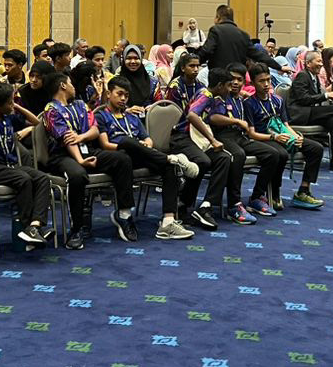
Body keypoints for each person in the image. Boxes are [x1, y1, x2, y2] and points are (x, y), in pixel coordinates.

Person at [41, 72, 137, 245]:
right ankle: (76, 229)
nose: (73, 86)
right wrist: (80, 160)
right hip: (62, 155)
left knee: (122, 159)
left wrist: (82, 137)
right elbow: (67, 139)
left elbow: (95, 129)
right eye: (71, 83)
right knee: (77, 176)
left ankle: (124, 215)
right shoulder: (51, 110)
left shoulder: (80, 105)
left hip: (87, 149)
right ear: (63, 85)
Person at [95, 77, 197, 240]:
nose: (123, 98)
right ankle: (171, 158)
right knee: (127, 142)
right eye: (119, 94)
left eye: (126, 95)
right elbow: (105, 145)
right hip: (118, 157)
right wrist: (133, 146)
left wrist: (144, 146)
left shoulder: (131, 117)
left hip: (141, 156)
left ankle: (168, 222)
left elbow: (148, 140)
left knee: (168, 167)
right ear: (108, 94)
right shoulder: (101, 116)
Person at [0, 80, 55, 247]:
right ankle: (26, 225)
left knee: (42, 178)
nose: (13, 104)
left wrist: (14, 106)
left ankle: (35, 225)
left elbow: (36, 122)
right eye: (10, 102)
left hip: (9, 167)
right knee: (23, 178)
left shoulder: (8, 118)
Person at [202, 64, 283, 220]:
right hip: (222, 136)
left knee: (272, 154)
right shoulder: (220, 97)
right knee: (238, 155)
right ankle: (234, 204)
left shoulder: (241, 98)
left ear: (244, 83)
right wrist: (236, 121)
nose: (235, 83)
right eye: (232, 79)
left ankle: (256, 197)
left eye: (239, 80)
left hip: (240, 136)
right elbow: (213, 118)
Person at [164, 51, 229, 231]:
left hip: (197, 138)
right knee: (203, 161)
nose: (195, 69)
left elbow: (211, 118)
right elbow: (191, 115)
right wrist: (212, 140)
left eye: (197, 66)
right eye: (191, 66)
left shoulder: (210, 93)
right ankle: (183, 203)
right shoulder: (203, 93)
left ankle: (206, 206)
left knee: (224, 158)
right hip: (181, 136)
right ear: (220, 86)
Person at [245, 65, 324, 209]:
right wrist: (274, 137)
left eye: (268, 80)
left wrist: (296, 136)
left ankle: (303, 191)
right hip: (264, 138)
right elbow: (251, 133)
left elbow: (286, 125)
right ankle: (274, 192)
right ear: (253, 83)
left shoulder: (278, 100)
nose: (266, 84)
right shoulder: (249, 103)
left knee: (316, 148)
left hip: (283, 135)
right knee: (281, 154)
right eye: (261, 81)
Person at [287, 49, 333, 170]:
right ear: (308, 63)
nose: (321, 64)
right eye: (318, 61)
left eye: (322, 61)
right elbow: (303, 99)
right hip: (300, 114)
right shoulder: (302, 75)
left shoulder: (314, 76)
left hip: (311, 112)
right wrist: (326, 95)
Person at [200, 4, 284, 74]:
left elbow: (207, 51)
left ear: (218, 17)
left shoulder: (215, 30)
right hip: (237, 77)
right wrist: (279, 67)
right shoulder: (244, 35)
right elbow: (259, 55)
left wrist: (196, 62)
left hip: (219, 77)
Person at [115, 44, 155, 110]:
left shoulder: (152, 81)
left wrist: (153, 107)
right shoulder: (116, 82)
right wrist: (126, 110)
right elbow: (111, 107)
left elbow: (160, 104)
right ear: (124, 60)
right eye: (129, 58)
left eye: (136, 58)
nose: (133, 61)